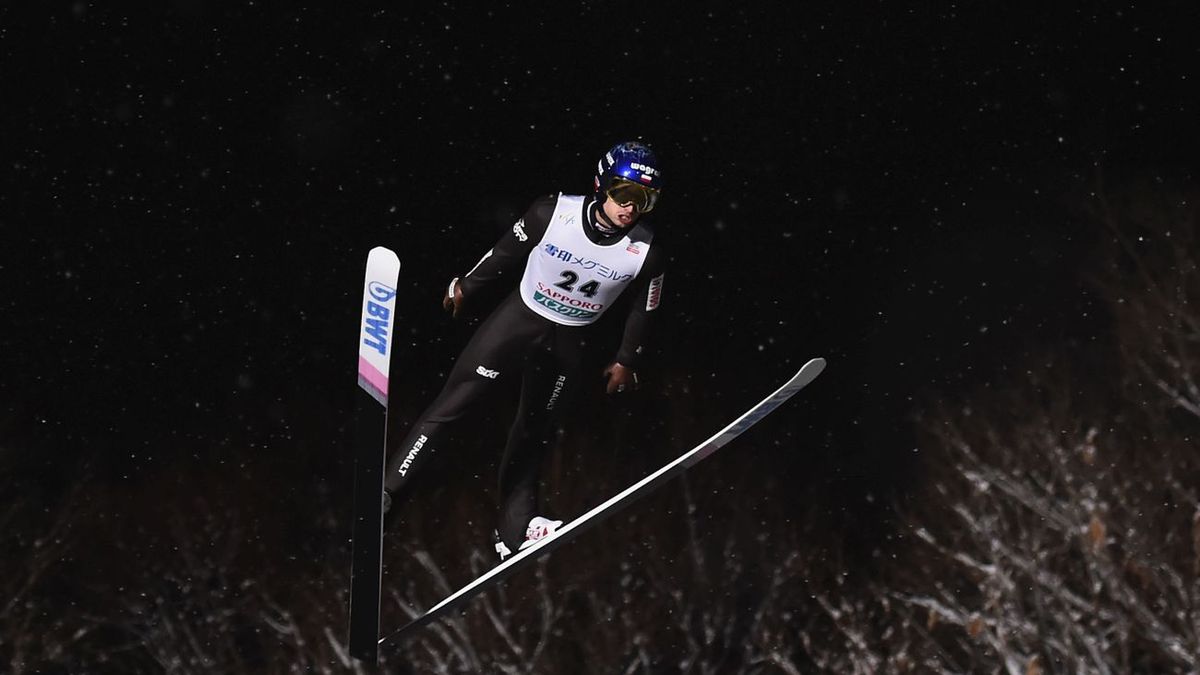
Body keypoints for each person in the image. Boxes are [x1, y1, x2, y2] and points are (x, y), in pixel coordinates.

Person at [383, 141, 667, 560]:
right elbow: (505, 251)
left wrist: (628, 358)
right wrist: (466, 285)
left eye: (644, 199)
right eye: (623, 194)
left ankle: (515, 528)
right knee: (453, 405)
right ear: (600, 187)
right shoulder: (552, 213)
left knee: (535, 431)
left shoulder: (646, 251)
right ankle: (389, 493)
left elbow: (646, 307)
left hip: (570, 341)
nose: (630, 207)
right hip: (518, 321)